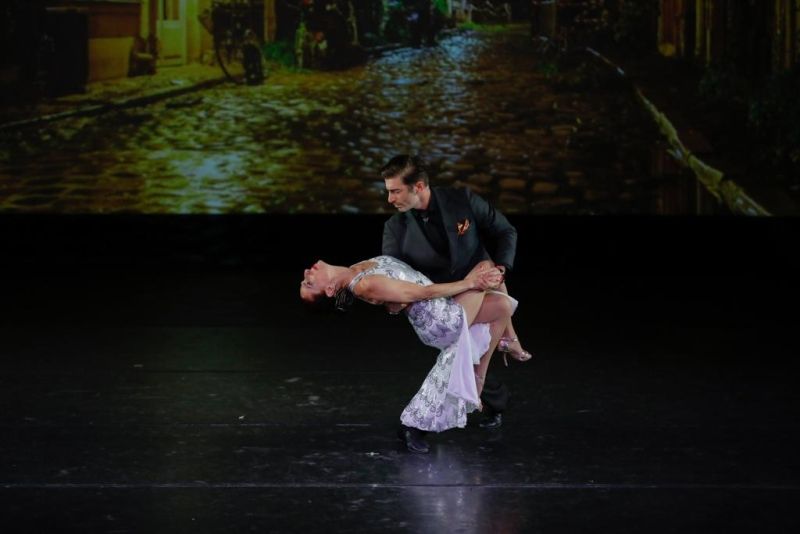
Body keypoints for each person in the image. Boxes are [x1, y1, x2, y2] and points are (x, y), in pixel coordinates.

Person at [300, 255, 518, 453]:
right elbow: (421, 292)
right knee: (486, 267)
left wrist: (392, 304)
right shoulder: (363, 284)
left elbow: (394, 293)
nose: (307, 273)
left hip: (442, 306)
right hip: (440, 320)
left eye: (305, 279)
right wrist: (470, 283)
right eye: (309, 283)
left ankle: (500, 352)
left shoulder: (356, 269)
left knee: (502, 305)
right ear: (329, 289)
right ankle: (491, 365)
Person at [380, 154, 533, 430]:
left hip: (481, 285)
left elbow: (505, 231)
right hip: (439, 301)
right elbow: (391, 274)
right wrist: (393, 301)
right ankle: (509, 341)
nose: (390, 199)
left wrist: (501, 268)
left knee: (490, 282)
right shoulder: (395, 228)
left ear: (418, 187)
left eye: (395, 191)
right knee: (473, 339)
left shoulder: (461, 199)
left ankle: (483, 381)